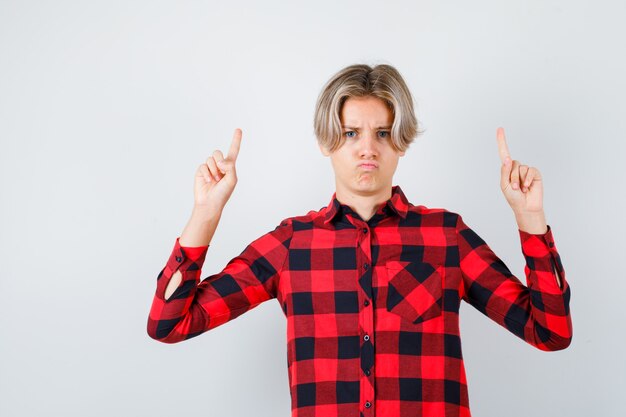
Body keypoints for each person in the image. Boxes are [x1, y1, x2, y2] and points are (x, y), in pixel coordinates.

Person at [147, 63, 572, 417]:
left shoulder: (446, 237)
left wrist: (529, 218)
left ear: (401, 143)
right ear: (325, 142)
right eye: (351, 133)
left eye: (383, 134)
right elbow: (169, 324)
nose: (367, 148)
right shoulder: (291, 246)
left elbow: (550, 332)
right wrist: (206, 212)